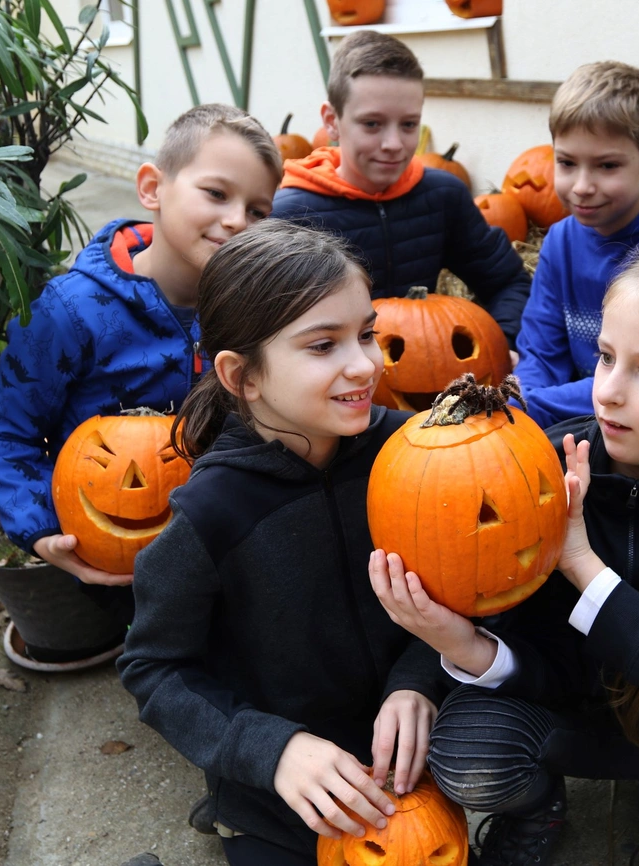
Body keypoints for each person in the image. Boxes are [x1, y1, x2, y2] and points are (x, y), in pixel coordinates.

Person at [370, 244, 639, 866]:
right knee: (464, 750)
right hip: (556, 717)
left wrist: (581, 564)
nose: (609, 392)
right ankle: (536, 806)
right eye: (606, 357)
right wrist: (457, 645)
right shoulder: (535, 464)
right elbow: (510, 624)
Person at [118, 220, 449, 866]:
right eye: (322, 345)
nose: (363, 364)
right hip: (280, 791)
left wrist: (418, 679)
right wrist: (272, 751)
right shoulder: (211, 513)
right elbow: (155, 669)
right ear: (243, 376)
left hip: (412, 763)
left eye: (365, 334)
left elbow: (462, 581)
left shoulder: (411, 453)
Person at [0, 104, 281, 595]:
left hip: (221, 539)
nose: (236, 221)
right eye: (217, 193)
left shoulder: (247, 309)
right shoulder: (70, 312)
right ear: (152, 188)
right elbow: (8, 431)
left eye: (257, 211)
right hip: (112, 539)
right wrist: (40, 528)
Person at [271, 30, 532, 346]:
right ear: (332, 121)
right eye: (372, 124)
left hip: (425, 370)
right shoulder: (288, 217)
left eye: (408, 124)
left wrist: (499, 344)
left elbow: (507, 282)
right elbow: (263, 326)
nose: (393, 144)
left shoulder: (442, 196)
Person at [513, 61, 639, 428]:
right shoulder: (560, 243)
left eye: (606, 166)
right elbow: (540, 352)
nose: (582, 185)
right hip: (576, 417)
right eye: (567, 163)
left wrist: (533, 406)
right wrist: (520, 405)